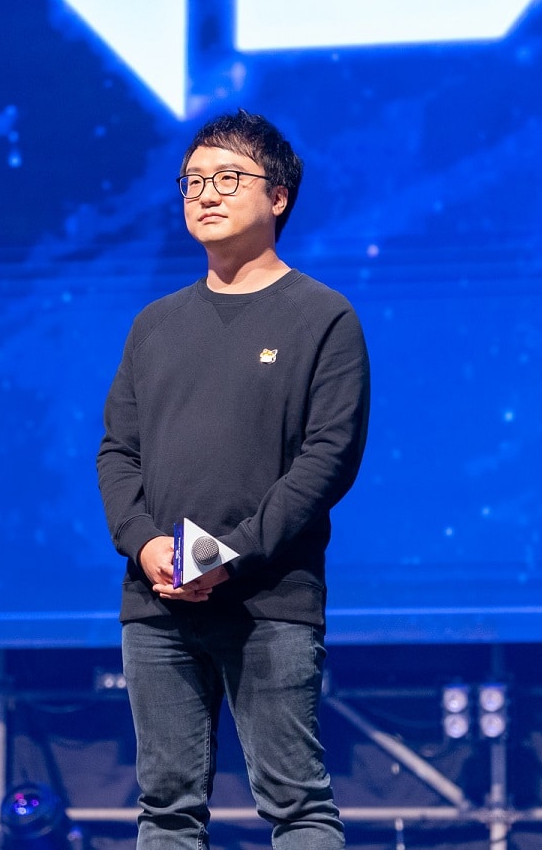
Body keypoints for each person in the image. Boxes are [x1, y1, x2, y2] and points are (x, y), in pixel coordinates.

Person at [97, 110, 371, 849]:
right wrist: (146, 545)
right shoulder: (154, 324)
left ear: (278, 196)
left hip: (269, 598)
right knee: (165, 809)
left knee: (296, 804)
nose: (205, 194)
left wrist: (228, 556)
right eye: (192, 181)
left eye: (227, 177)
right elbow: (117, 452)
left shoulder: (323, 317)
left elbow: (327, 458)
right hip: (157, 600)